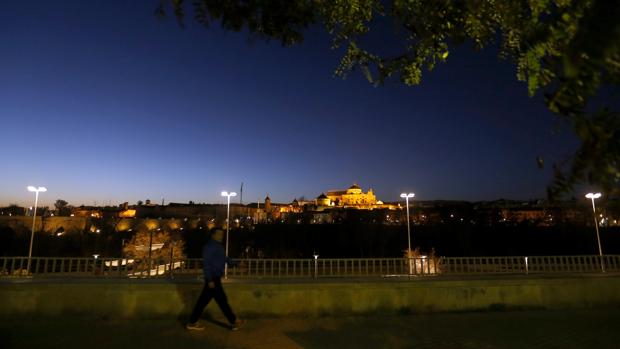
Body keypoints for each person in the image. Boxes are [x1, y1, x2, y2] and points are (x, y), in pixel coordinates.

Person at [186, 229, 245, 331]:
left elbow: (224, 258)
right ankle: (234, 322)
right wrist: (209, 280)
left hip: (214, 278)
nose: (221, 236)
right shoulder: (209, 247)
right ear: (213, 235)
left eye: (222, 234)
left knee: (206, 302)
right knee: (221, 302)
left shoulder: (217, 246)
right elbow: (207, 264)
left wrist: (237, 263)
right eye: (219, 234)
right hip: (213, 278)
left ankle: (192, 322)